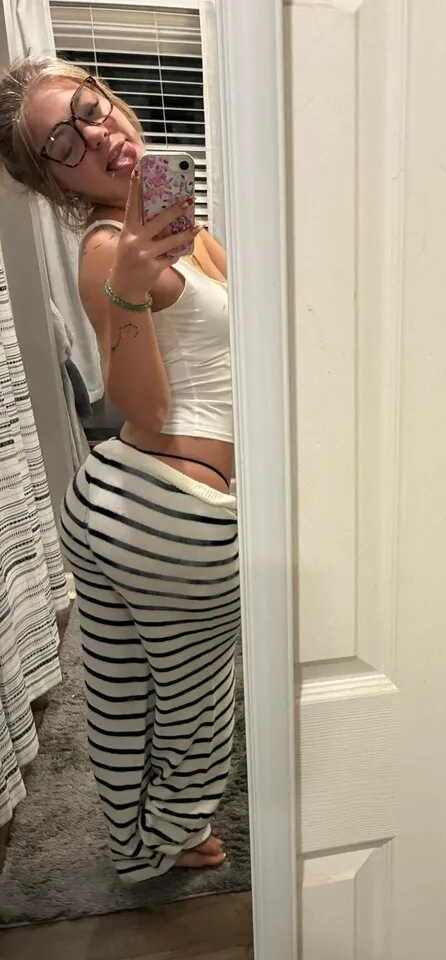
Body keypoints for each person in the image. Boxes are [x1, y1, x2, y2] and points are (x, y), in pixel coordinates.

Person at [0, 56, 239, 882]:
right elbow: (140, 406)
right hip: (172, 513)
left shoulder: (175, 223)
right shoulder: (109, 251)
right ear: (55, 180)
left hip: (123, 502)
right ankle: (169, 834)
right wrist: (131, 289)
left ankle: (137, 841)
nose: (96, 135)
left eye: (90, 107)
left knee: (124, 689)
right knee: (195, 702)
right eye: (64, 143)